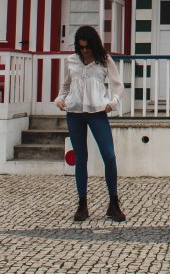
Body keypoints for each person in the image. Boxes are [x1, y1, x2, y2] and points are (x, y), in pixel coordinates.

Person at [54, 25, 126, 222]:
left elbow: (118, 86)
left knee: (109, 156)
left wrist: (112, 104)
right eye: (81, 47)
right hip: (75, 112)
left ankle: (113, 203)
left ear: (94, 45)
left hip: (97, 112)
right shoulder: (71, 60)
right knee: (81, 158)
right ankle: (82, 204)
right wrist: (60, 99)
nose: (84, 50)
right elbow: (65, 85)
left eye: (87, 47)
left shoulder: (104, 61)